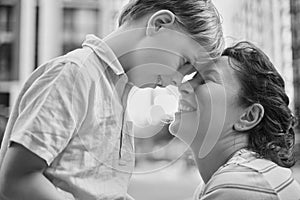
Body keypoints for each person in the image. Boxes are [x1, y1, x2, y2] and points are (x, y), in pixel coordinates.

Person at [0, 0, 224, 200]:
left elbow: (92, 187)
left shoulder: (117, 93)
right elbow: (17, 179)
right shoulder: (75, 74)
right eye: (183, 62)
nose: (177, 82)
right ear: (159, 24)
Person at [169, 41, 300, 200]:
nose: (183, 85)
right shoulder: (239, 177)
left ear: (248, 116)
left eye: (205, 80)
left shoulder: (238, 183)